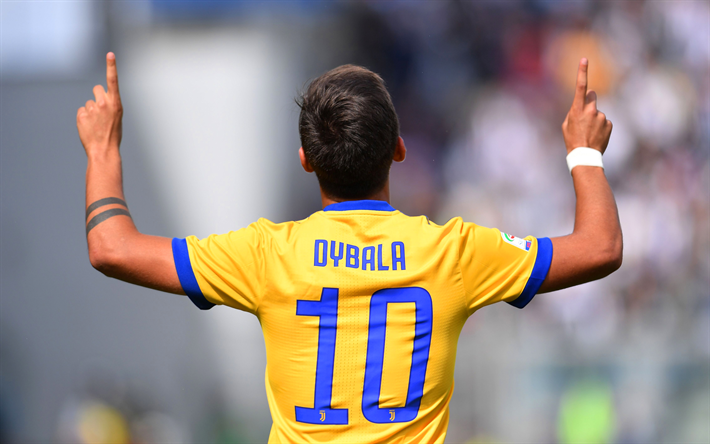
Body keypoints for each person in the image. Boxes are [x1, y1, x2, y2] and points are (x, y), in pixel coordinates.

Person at [77, 53, 621, 443]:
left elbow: (110, 247)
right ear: (400, 150)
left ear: (305, 160)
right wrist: (584, 153)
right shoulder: (452, 252)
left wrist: (103, 150)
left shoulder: (268, 254)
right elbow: (599, 248)